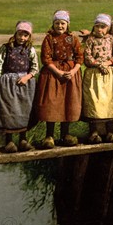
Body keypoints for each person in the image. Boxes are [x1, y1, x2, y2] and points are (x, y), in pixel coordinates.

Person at [0, 21, 39, 153]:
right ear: (15, 33)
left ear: (29, 37)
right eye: (20, 34)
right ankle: (9, 141)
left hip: (25, 83)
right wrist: (0, 79)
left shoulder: (30, 49)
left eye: (26, 35)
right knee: (9, 110)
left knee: (24, 110)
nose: (22, 38)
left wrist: (28, 77)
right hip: (8, 83)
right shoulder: (6, 48)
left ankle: (23, 140)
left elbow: (35, 67)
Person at [34, 10, 84, 149]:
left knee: (68, 102)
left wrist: (73, 71)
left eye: (63, 23)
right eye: (57, 23)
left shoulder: (73, 38)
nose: (60, 26)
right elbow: (46, 58)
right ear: (53, 24)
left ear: (67, 24)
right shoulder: (49, 38)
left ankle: (65, 135)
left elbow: (80, 57)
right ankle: (49, 135)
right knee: (52, 103)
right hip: (53, 73)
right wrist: (58, 72)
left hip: (70, 74)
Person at [82, 14, 113, 144]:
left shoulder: (112, 39)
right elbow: (87, 56)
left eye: (103, 27)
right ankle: (94, 132)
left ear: (108, 28)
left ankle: (110, 131)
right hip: (95, 74)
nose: (100, 29)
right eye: (97, 26)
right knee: (94, 102)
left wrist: (107, 63)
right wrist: (99, 64)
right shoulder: (90, 40)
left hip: (109, 74)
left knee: (110, 101)